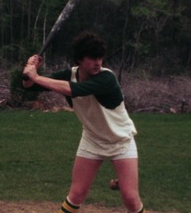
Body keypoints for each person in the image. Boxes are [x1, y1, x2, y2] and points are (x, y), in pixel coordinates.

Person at [22, 31, 145, 213]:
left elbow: (75, 90)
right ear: (79, 59)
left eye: (100, 58)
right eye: (92, 58)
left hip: (121, 141)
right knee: (77, 194)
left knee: (130, 198)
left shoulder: (107, 78)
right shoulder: (68, 75)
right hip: (92, 139)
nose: (98, 62)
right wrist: (29, 70)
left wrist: (36, 76)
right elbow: (29, 87)